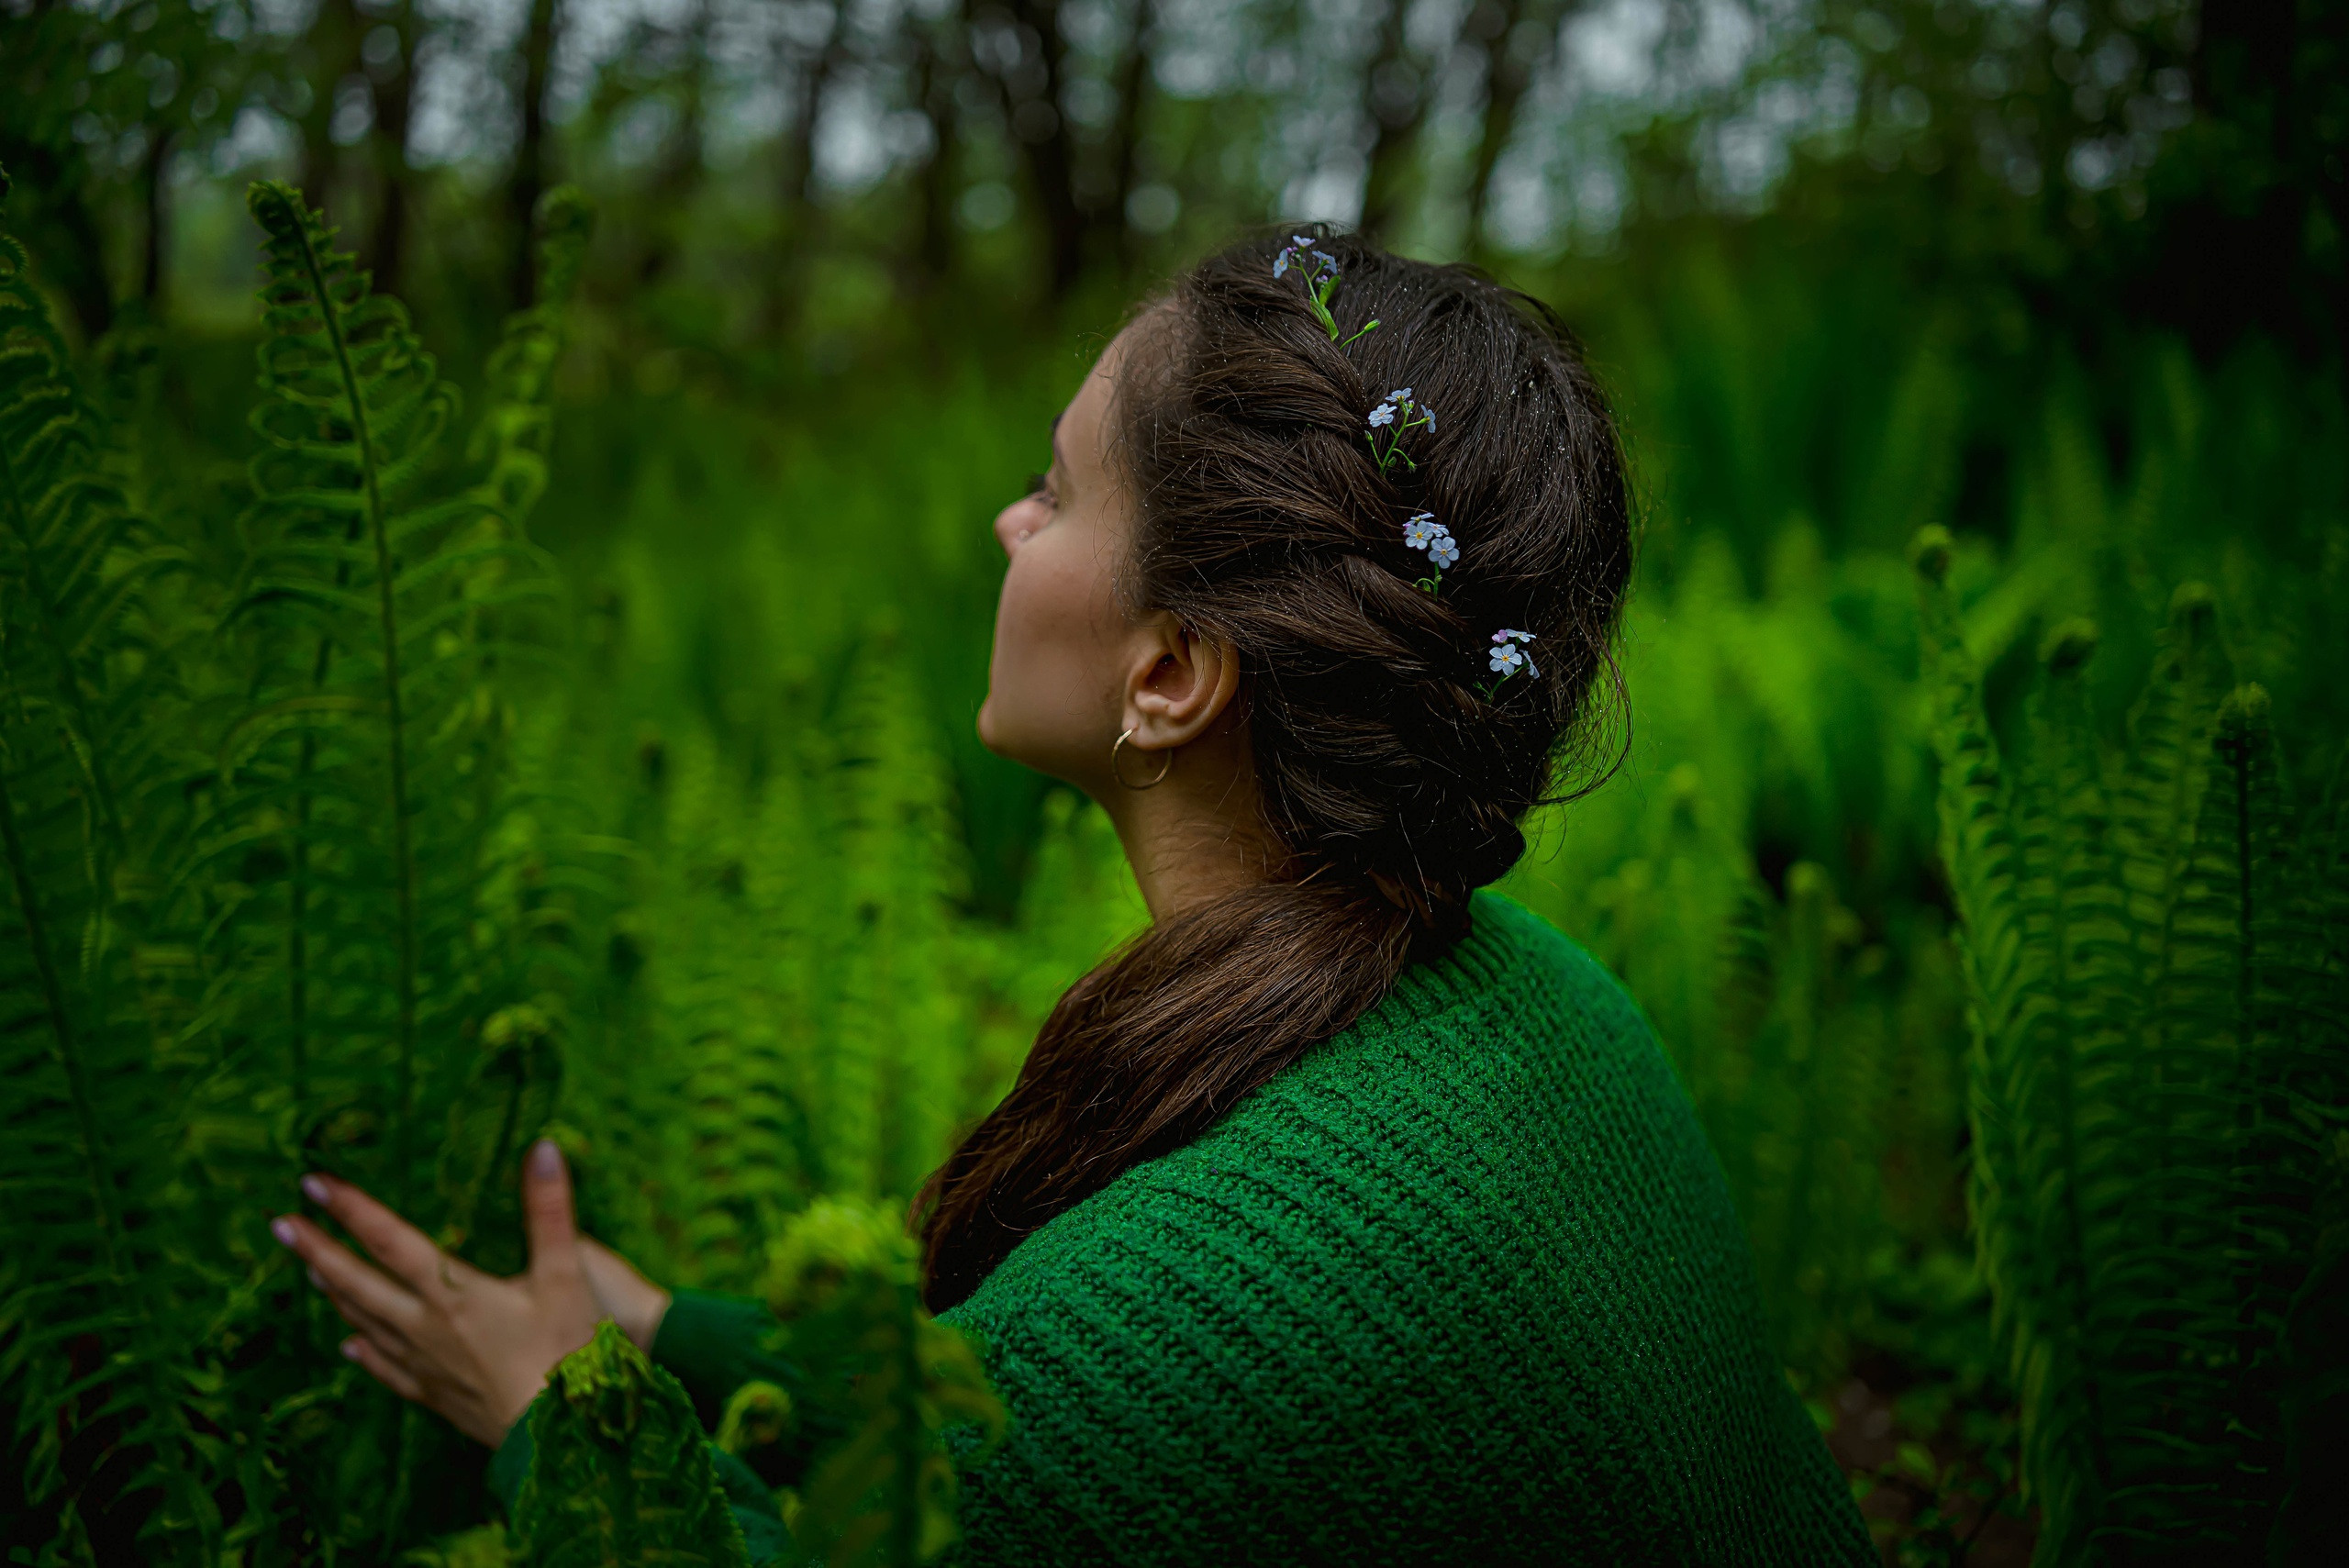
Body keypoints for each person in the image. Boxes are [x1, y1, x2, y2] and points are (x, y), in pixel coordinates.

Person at [269, 229, 1873, 1565]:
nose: (1005, 523)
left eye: (1052, 490)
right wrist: (668, 1325)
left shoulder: (1182, 1314)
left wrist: (560, 1415)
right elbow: (1058, 1445)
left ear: (1170, 672)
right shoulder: (1534, 995)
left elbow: (1100, 1427)